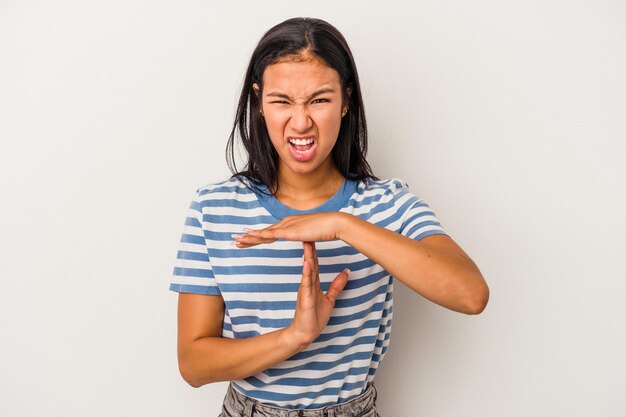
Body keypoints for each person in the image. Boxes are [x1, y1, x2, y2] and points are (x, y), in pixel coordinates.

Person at [170, 17, 489, 417]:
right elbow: (193, 364)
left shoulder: (389, 205)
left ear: (346, 100)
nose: (300, 122)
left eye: (319, 100)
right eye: (282, 101)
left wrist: (340, 224)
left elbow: (470, 294)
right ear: (258, 100)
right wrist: (295, 336)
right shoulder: (213, 207)